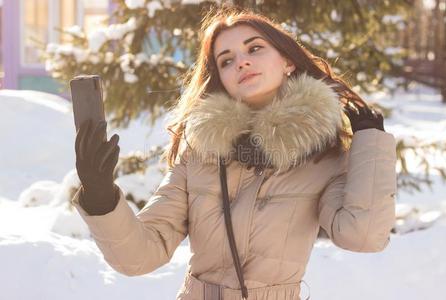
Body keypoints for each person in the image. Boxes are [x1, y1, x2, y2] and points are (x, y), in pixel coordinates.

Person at [71, 6, 397, 300]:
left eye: (254, 48)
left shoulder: (323, 156)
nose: (241, 61)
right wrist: (101, 196)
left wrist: (370, 144)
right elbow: (139, 256)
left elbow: (363, 237)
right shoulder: (200, 152)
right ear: (222, 79)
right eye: (226, 60)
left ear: (287, 61)